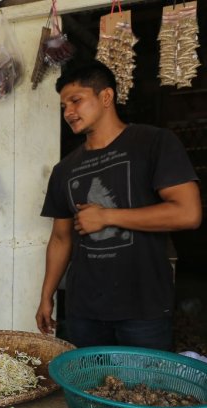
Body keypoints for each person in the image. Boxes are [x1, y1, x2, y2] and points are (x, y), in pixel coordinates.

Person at [36, 61, 202, 350]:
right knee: (89, 389)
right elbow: (61, 238)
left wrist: (108, 216)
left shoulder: (153, 143)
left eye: (76, 101)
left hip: (143, 307)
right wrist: (46, 296)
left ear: (106, 97)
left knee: (143, 391)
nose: (69, 113)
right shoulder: (64, 170)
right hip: (84, 309)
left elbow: (188, 213)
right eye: (64, 106)